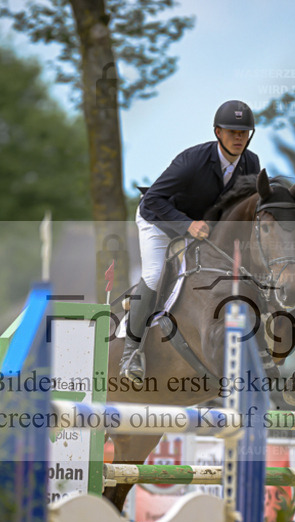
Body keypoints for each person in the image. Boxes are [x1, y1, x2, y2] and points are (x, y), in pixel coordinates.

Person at [120, 100, 261, 381]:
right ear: (218, 132)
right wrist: (186, 225)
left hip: (203, 229)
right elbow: (153, 201)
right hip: (158, 220)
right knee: (155, 273)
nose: (238, 138)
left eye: (243, 132)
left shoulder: (251, 163)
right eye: (232, 132)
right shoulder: (192, 161)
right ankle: (131, 353)